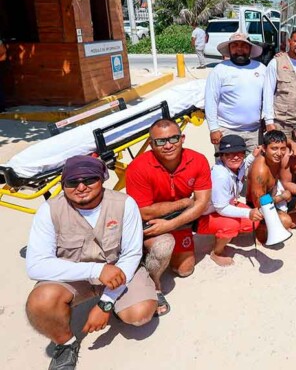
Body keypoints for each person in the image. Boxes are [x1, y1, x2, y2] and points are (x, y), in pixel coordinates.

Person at [26, 156, 157, 370]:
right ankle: (66, 343)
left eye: (89, 179)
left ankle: (120, 303)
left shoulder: (124, 204)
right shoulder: (49, 211)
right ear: (63, 184)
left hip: (120, 272)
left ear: (103, 179)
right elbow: (36, 265)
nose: (80, 187)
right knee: (40, 302)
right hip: (75, 276)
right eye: (72, 182)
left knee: (140, 315)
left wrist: (106, 302)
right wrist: (97, 269)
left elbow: (131, 255)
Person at [125, 119, 212, 316]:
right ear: (150, 144)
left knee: (184, 270)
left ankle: (150, 258)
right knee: (163, 246)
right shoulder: (138, 167)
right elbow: (143, 212)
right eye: (160, 141)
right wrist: (182, 203)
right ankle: (154, 285)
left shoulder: (198, 160)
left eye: (173, 138)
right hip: (151, 222)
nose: (168, 145)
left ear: (182, 138)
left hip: (175, 220)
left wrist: (170, 224)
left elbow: (201, 203)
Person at [197, 135, 264, 267]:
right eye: (229, 154)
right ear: (221, 156)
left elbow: (244, 164)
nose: (235, 157)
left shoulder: (236, 165)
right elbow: (221, 209)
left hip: (222, 207)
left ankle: (222, 234)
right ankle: (217, 252)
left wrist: (253, 155)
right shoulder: (220, 175)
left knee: (253, 222)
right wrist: (247, 213)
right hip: (203, 217)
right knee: (232, 225)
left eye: (239, 153)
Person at [205, 32, 268, 152]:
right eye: (235, 46)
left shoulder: (261, 68)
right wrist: (213, 129)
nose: (239, 49)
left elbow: (268, 98)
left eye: (244, 46)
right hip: (227, 130)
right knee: (228, 168)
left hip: (254, 132)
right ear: (229, 49)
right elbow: (210, 100)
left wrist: (266, 118)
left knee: (254, 168)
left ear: (250, 48)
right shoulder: (219, 70)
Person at [248, 130, 295, 233]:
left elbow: (287, 143)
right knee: (286, 222)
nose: (279, 153)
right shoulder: (260, 170)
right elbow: (259, 204)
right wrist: (282, 197)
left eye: (283, 149)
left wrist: (294, 144)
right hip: (257, 206)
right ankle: (260, 229)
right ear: (264, 149)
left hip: (272, 196)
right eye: (274, 149)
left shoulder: (275, 159)